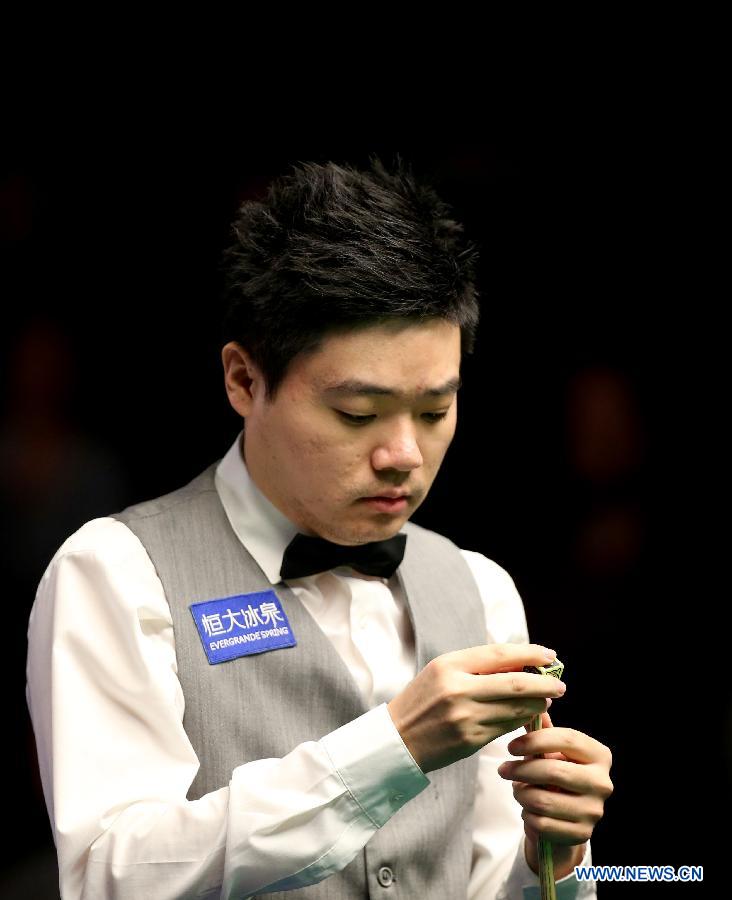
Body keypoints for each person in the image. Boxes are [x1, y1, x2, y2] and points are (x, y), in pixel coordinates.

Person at [26, 156, 612, 899]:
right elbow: (109, 879)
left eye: (435, 410)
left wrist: (553, 860)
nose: (402, 454)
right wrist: (391, 749)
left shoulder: (480, 588)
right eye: (356, 414)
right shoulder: (115, 570)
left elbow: (487, 884)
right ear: (244, 380)